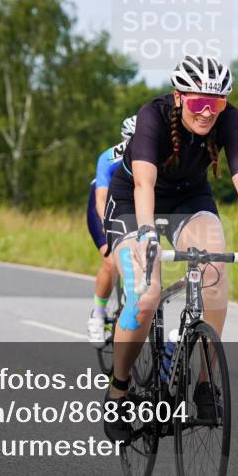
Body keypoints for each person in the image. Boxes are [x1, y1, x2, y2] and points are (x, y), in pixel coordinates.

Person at [101, 54, 238, 441]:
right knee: (146, 295)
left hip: (189, 197)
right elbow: (144, 185)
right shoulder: (153, 115)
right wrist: (146, 233)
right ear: (180, 97)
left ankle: (203, 383)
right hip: (134, 200)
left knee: (214, 273)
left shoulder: (230, 119)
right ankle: (118, 389)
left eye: (216, 103)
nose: (207, 112)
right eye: (198, 102)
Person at [86, 115, 137, 346]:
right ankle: (97, 316)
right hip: (104, 205)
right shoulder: (109, 158)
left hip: (133, 207)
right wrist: (110, 228)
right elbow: (101, 199)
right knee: (112, 260)